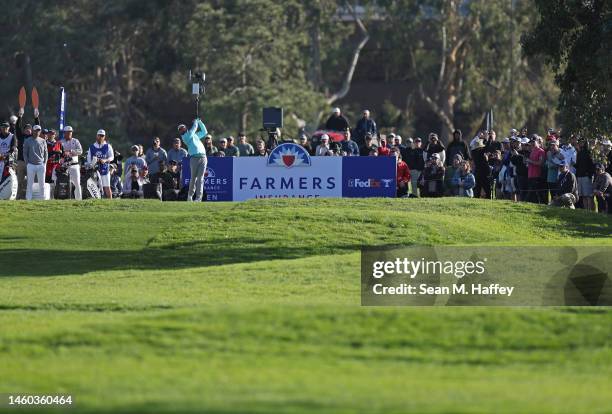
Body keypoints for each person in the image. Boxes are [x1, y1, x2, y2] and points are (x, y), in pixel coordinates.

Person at [178, 118, 208, 202]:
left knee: (201, 178)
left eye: (182, 127)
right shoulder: (185, 137)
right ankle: (190, 196)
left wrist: (200, 122)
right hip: (194, 158)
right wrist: (196, 121)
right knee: (193, 178)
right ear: (180, 132)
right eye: (180, 129)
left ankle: (199, 198)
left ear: (185, 128)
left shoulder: (195, 135)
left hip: (203, 157)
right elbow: (194, 128)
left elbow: (205, 132)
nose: (182, 129)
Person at [14, 109, 40, 199]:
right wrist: (20, 116)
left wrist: (36, 117)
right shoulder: (21, 137)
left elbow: (38, 127)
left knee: (30, 181)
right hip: (21, 162)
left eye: (30, 129)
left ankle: (28, 197)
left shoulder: (33, 138)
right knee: (19, 181)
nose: (28, 131)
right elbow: (17, 127)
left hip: (31, 163)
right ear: (24, 130)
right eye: (26, 129)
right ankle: (18, 197)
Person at [87, 129, 115, 199]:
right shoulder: (92, 147)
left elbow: (112, 157)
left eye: (102, 136)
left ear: (104, 137)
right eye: (99, 135)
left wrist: (105, 160)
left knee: (107, 188)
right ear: (97, 136)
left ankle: (110, 204)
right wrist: (92, 164)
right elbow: (89, 159)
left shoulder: (108, 146)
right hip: (95, 171)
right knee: (95, 188)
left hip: (105, 169)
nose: (100, 137)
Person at [23, 125, 48, 200]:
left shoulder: (43, 141)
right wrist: (27, 163)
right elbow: (25, 153)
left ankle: (42, 199)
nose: (37, 132)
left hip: (41, 165)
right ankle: (28, 199)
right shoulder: (27, 140)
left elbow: (46, 153)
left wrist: (45, 163)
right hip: (31, 165)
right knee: (29, 184)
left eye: (39, 130)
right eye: (36, 130)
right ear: (33, 131)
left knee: (42, 184)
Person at [60, 126, 83, 200]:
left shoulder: (75, 141)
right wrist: (63, 153)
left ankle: (78, 200)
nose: (70, 133)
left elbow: (80, 151)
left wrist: (71, 151)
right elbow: (58, 152)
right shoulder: (61, 142)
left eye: (71, 132)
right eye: (68, 132)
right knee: (64, 183)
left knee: (77, 183)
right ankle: (66, 199)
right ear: (64, 133)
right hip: (64, 166)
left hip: (74, 165)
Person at [525, 135, 546, 204]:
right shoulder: (532, 151)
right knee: (532, 195)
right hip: (530, 175)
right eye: (531, 142)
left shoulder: (541, 151)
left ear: (538, 142)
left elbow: (540, 163)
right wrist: (527, 162)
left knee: (538, 194)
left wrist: (530, 161)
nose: (532, 143)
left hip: (537, 175)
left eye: (534, 141)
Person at [575, 138, 594, 210]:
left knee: (588, 195)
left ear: (585, 143)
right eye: (579, 142)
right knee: (583, 195)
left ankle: (589, 211)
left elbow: (592, 165)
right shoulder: (579, 153)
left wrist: (589, 175)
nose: (580, 143)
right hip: (580, 176)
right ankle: (586, 210)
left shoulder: (589, 152)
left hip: (587, 176)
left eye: (582, 142)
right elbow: (578, 165)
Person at [45, 129, 63, 196]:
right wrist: (53, 152)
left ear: (55, 135)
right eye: (50, 134)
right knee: (46, 182)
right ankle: (46, 196)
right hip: (47, 165)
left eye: (52, 134)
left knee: (54, 182)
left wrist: (60, 153)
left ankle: (54, 196)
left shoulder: (58, 143)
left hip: (55, 166)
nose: (51, 135)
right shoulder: (44, 143)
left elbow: (62, 154)